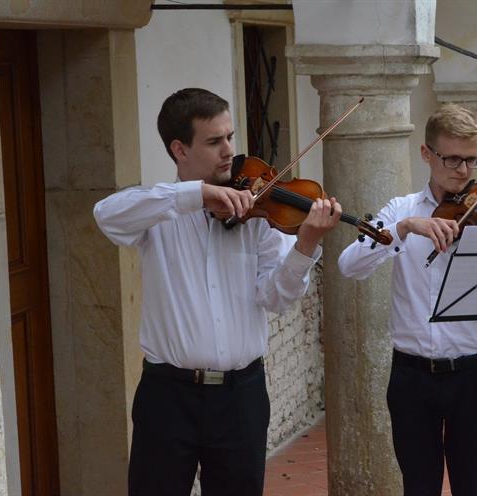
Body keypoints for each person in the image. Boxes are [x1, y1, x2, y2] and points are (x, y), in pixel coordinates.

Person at [94, 88, 341, 496]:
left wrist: (306, 245)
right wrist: (197, 195)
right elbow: (106, 214)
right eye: (214, 141)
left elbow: (276, 298)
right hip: (167, 395)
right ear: (179, 149)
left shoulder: (259, 211)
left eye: (230, 137)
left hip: (240, 396)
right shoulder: (159, 211)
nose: (229, 151)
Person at [339, 103, 477, 496]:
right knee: (418, 487)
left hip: (472, 374)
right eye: (453, 158)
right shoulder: (401, 211)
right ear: (426, 154)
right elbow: (349, 265)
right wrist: (403, 230)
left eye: (473, 160)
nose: (464, 171)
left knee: (471, 487)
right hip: (412, 377)